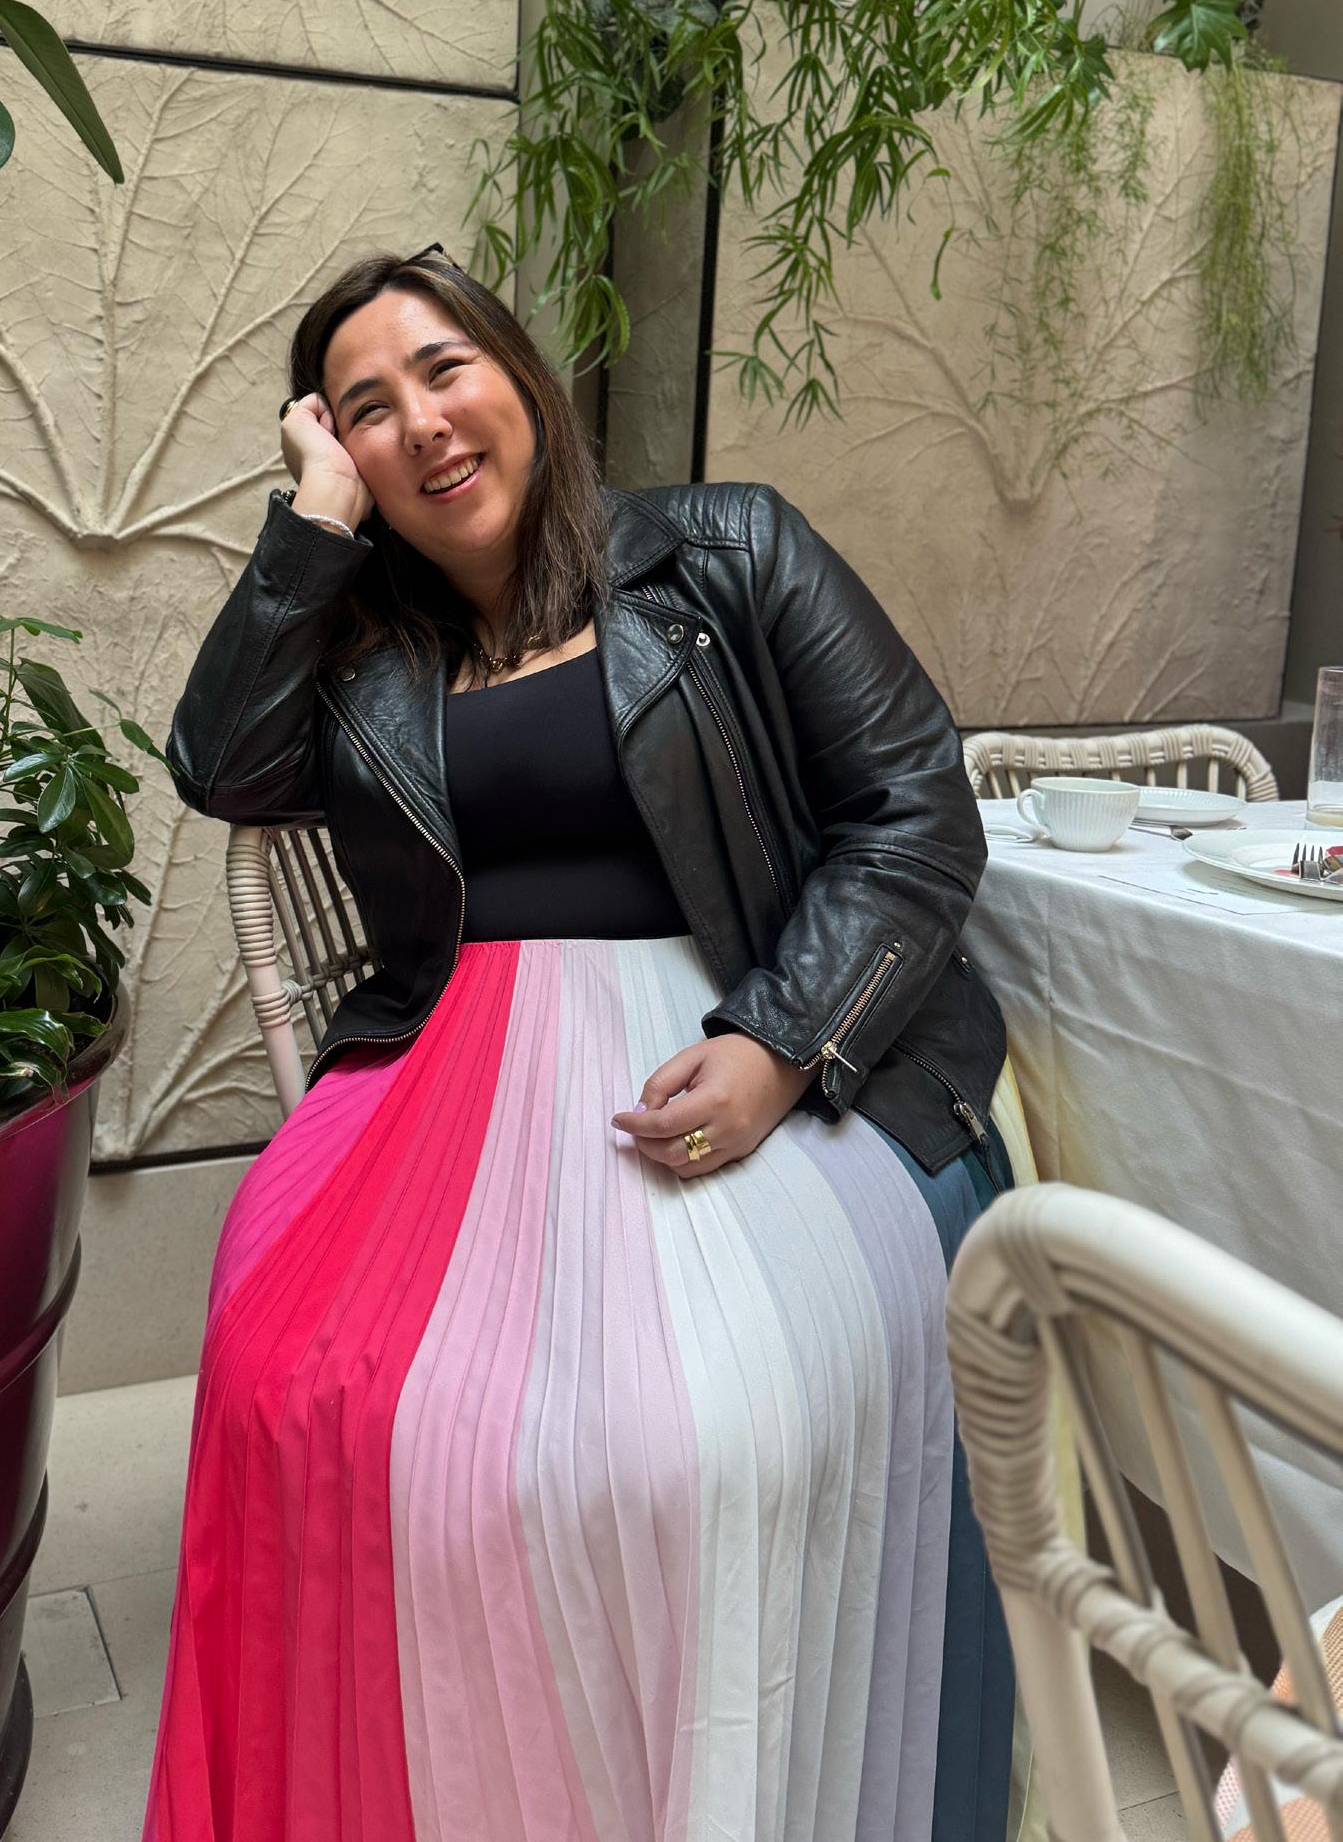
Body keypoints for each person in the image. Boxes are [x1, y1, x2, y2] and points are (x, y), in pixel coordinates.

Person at [142, 241, 1026, 1842]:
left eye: (445, 369)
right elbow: (220, 764)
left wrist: (779, 1044)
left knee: (692, 1425)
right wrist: (310, 529)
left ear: (524, 379)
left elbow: (912, 811)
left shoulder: (729, 549)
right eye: (365, 409)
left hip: (750, 1024)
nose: (421, 422)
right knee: (291, 1377)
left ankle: (721, 1769)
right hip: (446, 1068)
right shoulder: (368, 648)